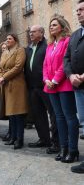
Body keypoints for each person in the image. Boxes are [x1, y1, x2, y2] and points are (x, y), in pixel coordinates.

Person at [43, 15, 79, 163]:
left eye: (55, 25)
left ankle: (72, 150)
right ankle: (63, 148)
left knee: (69, 117)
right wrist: (46, 79)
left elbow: (65, 63)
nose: (51, 27)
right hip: (50, 86)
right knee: (58, 117)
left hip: (64, 85)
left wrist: (55, 80)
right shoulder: (50, 45)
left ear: (62, 27)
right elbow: (45, 65)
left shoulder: (67, 41)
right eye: (50, 25)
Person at [25, 25, 59, 153]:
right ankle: (44, 139)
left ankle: (56, 142)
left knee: (53, 114)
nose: (31, 34)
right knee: (38, 114)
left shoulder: (47, 46)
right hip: (32, 87)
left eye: (34, 32)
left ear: (41, 33)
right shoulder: (28, 48)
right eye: (30, 32)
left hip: (46, 86)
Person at [0, 34, 28, 149]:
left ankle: (19, 139)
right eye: (7, 39)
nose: (7, 40)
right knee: (11, 114)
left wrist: (4, 77)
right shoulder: (5, 52)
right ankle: (13, 137)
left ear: (15, 40)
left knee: (18, 113)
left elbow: (18, 67)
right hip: (6, 85)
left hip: (16, 85)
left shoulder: (20, 50)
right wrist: (0, 77)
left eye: (10, 39)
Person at [64, 0, 84, 173]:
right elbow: (67, 59)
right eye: (77, 10)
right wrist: (70, 75)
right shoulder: (76, 35)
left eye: (82, 10)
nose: (78, 13)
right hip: (78, 87)